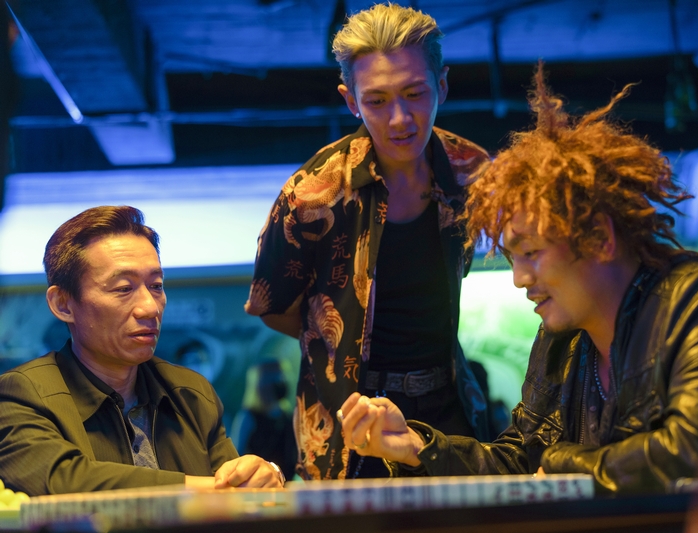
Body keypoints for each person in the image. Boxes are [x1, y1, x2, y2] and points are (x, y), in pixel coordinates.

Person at [338, 67, 698, 494]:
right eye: (512, 258)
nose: (520, 279)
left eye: (532, 252)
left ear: (600, 237)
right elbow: (520, 462)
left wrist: (562, 461)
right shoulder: (561, 338)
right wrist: (417, 447)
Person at [244, 3, 491, 480]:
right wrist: (337, 341)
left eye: (414, 94)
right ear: (351, 101)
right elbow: (271, 306)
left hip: (448, 403)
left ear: (441, 85)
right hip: (346, 417)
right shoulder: (312, 192)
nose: (400, 119)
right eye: (377, 100)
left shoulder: (472, 172)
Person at [0, 206, 284, 496]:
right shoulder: (23, 394)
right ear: (63, 304)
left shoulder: (190, 393)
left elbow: (237, 492)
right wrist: (211, 488)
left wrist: (263, 475)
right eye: (124, 288)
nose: (150, 307)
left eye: (156, 286)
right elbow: (64, 480)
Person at [230, 360, 297, 476]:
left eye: (282, 377)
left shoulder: (287, 417)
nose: (280, 382)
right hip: (257, 483)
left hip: (286, 482)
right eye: (274, 379)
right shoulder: (248, 417)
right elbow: (236, 454)